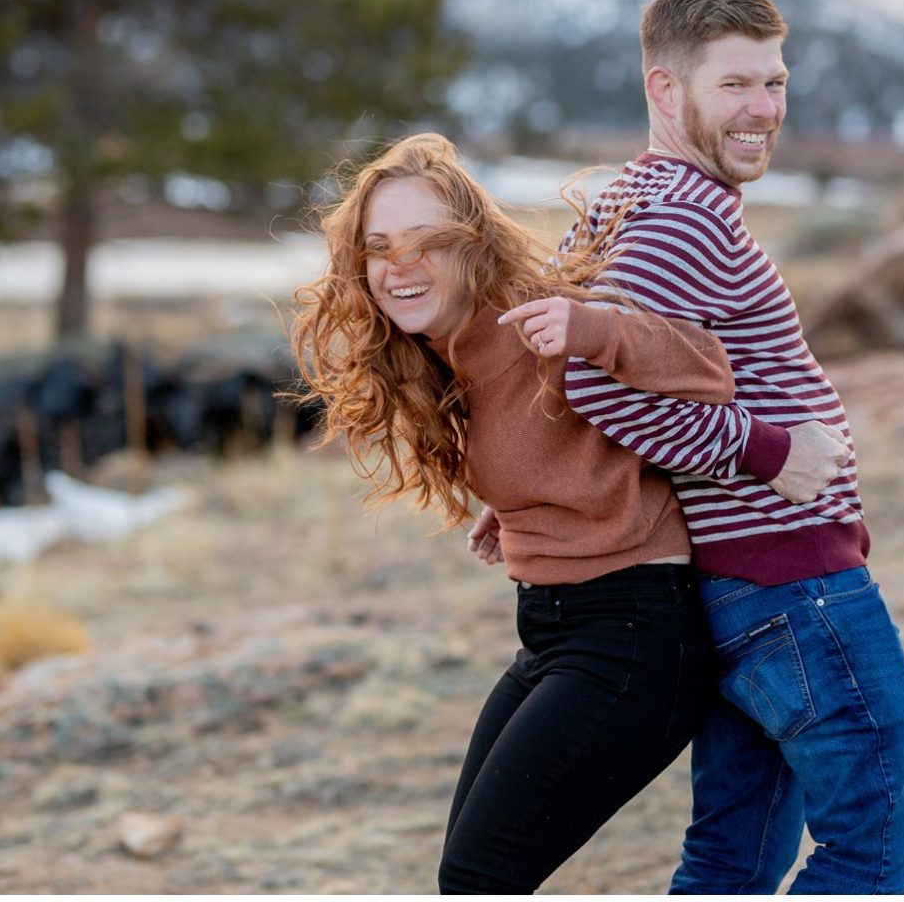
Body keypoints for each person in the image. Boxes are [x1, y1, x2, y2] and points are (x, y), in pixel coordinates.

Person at [288, 132, 851, 895]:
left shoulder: (537, 321)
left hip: (632, 638)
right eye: (379, 247)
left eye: (428, 242)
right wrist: (524, 503)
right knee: (470, 874)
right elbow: (575, 436)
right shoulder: (450, 348)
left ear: (473, 245)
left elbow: (701, 364)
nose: (399, 267)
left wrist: (595, 329)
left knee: (479, 876)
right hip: (554, 628)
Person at [555, 0, 904, 894]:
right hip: (792, 588)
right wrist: (768, 448)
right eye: (734, 86)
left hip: (740, 586)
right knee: (874, 850)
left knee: (732, 860)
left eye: (775, 82)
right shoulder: (680, 215)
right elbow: (588, 381)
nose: (763, 109)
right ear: (663, 89)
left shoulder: (636, 199)